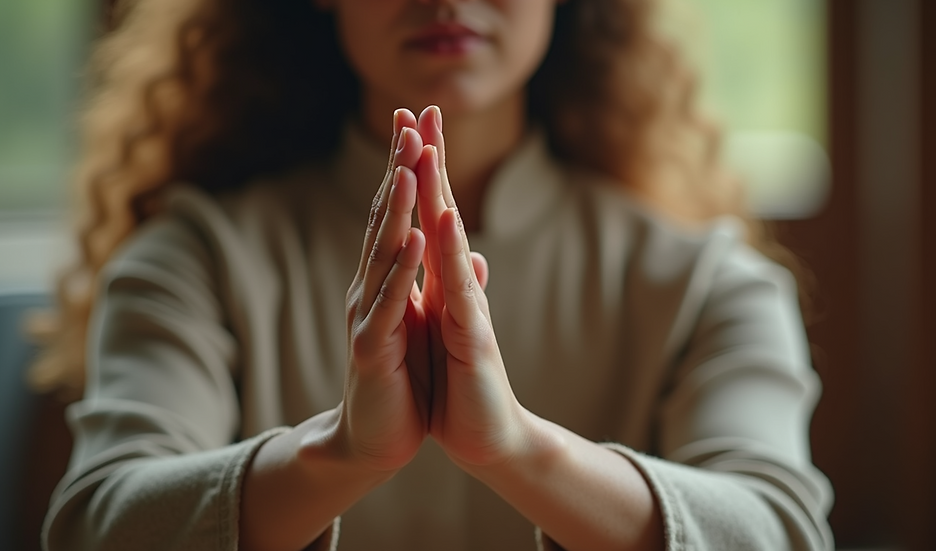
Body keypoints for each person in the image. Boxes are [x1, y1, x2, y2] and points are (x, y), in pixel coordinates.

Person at [37, 0, 834, 549]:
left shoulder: (709, 282)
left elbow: (779, 529)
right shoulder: (193, 257)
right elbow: (98, 526)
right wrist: (341, 452)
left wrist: (518, 450)